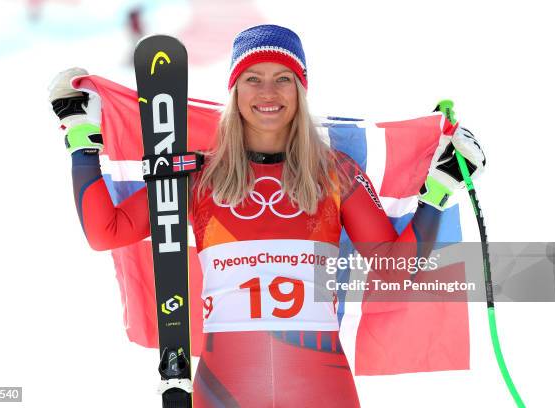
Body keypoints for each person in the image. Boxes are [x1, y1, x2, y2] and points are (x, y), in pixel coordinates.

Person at [48, 24, 485, 407]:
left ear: (301, 89)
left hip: (322, 388)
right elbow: (108, 231)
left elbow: (393, 270)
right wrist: (81, 139)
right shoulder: (199, 174)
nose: (268, 93)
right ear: (235, 92)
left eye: (283, 79)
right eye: (252, 79)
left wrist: (440, 188)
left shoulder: (334, 172)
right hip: (226, 387)